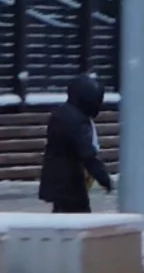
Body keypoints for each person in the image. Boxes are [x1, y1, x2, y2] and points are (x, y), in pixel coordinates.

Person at [39, 73, 114, 214]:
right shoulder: (78, 121)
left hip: (55, 179)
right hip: (70, 183)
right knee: (79, 219)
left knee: (61, 218)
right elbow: (88, 154)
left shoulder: (60, 114)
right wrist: (103, 178)